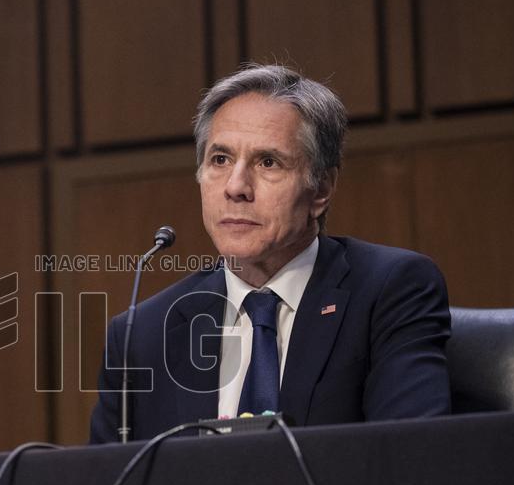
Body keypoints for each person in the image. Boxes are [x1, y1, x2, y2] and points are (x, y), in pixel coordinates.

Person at [90, 63, 451, 444]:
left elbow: (410, 456)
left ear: (321, 189)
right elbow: (106, 478)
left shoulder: (388, 291)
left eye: (268, 162)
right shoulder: (143, 335)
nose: (236, 187)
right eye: (220, 160)